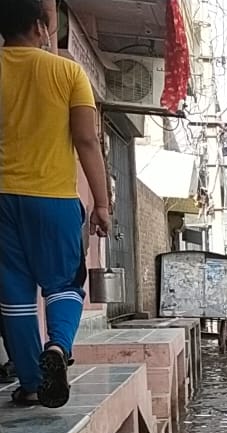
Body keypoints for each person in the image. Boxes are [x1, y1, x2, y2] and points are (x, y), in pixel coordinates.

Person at [0, 0, 111, 407]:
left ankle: (30, 382)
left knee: (13, 292)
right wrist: (102, 202)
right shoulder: (67, 72)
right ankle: (58, 349)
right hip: (53, 198)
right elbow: (86, 140)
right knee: (63, 283)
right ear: (38, 27)